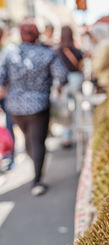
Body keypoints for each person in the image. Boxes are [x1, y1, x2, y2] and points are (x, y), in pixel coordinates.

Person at [0, 18, 67, 196]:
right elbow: (62, 76)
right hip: (38, 105)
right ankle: (37, 181)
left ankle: (35, 170)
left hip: (15, 107)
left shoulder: (9, 53)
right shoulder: (47, 54)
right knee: (37, 142)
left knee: (30, 140)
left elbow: (1, 77)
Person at [56, 25, 84, 148]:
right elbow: (81, 67)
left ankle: (66, 138)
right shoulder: (78, 51)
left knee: (65, 111)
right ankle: (79, 135)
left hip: (65, 82)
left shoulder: (58, 52)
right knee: (78, 109)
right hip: (76, 80)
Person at [0, 23, 15, 171]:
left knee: (9, 126)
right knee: (8, 126)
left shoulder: (8, 51)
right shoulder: (9, 51)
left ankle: (10, 156)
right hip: (6, 94)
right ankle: (8, 155)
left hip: (7, 95)